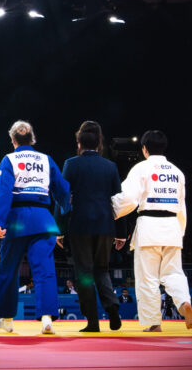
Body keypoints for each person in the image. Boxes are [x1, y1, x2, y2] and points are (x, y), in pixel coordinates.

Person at [0, 120, 71, 334]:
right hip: (43, 220)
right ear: (32, 139)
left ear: (12, 140)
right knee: (45, 271)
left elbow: (3, 191)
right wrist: (63, 219)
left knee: (8, 270)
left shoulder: (9, 159)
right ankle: (46, 318)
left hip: (15, 220)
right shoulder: (46, 159)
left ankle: (6, 319)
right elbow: (62, 192)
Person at [112, 130, 192, 332]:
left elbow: (129, 199)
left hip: (149, 226)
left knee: (148, 277)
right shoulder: (177, 172)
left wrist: (109, 207)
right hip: (172, 227)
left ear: (145, 149)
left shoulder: (142, 168)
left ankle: (153, 322)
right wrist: (180, 232)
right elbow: (182, 205)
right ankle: (184, 301)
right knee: (174, 272)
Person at [56, 120, 126, 332]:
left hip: (80, 225)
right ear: (99, 143)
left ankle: (93, 322)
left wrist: (57, 229)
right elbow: (119, 201)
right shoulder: (110, 166)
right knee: (102, 269)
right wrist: (121, 233)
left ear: (79, 143)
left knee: (84, 273)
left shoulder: (71, 164)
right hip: (105, 225)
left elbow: (62, 198)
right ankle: (112, 306)